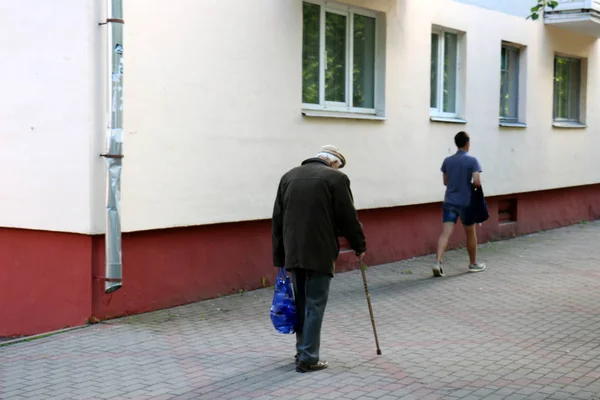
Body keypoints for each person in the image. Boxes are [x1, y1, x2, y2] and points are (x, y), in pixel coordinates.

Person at [272, 145, 366, 373]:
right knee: (315, 303)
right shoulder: (336, 179)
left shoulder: (289, 176)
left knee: (303, 302)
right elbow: (347, 217)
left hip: (293, 251)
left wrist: (279, 256)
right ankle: (308, 357)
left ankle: (302, 350)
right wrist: (359, 244)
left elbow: (277, 219)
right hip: (320, 251)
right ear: (334, 163)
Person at [433, 131, 486, 277]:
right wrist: (472, 188)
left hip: (449, 201)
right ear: (467, 143)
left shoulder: (447, 161)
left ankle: (437, 262)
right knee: (470, 233)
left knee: (446, 232)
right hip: (466, 203)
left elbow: (445, 182)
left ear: (456, 144)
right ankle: (473, 263)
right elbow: (477, 182)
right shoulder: (472, 161)